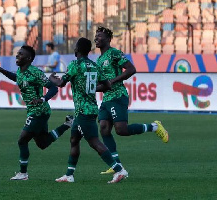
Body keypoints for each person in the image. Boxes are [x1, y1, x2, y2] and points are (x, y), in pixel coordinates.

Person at [0, 45, 73, 180]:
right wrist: (0, 70)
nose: (17, 55)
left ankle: (23, 173)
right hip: (35, 111)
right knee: (43, 143)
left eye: (20, 54)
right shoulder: (21, 71)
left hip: (39, 111)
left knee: (22, 140)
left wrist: (42, 99)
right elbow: (17, 78)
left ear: (28, 58)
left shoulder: (35, 73)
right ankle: (67, 124)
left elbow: (53, 89)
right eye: (17, 53)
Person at [49, 37, 128, 184]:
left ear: (77, 50)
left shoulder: (75, 64)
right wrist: (91, 89)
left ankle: (119, 170)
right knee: (74, 139)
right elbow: (107, 85)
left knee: (94, 142)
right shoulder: (93, 65)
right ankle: (69, 175)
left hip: (84, 111)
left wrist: (52, 79)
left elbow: (60, 83)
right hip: (88, 109)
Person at [94, 26, 169, 174]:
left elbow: (131, 69)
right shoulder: (99, 59)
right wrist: (91, 89)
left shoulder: (114, 53)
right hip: (107, 98)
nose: (96, 38)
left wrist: (113, 81)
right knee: (104, 128)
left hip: (118, 96)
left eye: (100, 36)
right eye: (95, 35)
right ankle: (117, 165)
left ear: (108, 39)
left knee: (121, 130)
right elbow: (104, 85)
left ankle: (154, 127)